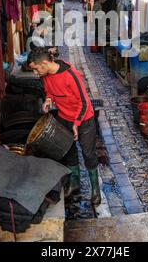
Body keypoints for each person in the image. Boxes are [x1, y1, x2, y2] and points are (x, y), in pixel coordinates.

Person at [27, 47, 101, 206]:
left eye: (35, 69)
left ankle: (96, 190)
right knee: (69, 152)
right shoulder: (46, 76)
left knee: (88, 154)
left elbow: (84, 102)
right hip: (64, 118)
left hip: (83, 119)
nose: (35, 73)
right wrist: (48, 101)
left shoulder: (70, 75)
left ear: (45, 63)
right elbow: (50, 93)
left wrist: (76, 124)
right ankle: (74, 185)